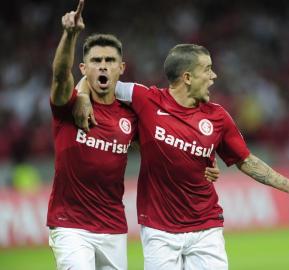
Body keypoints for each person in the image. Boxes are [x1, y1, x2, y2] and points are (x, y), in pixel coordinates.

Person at [75, 44, 289, 270]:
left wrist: (288, 185)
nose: (213, 77)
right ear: (187, 77)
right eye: (208, 69)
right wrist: (83, 96)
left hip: (206, 227)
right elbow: (95, 79)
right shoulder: (146, 98)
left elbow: (245, 160)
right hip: (159, 230)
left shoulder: (218, 117)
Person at [47, 2, 220, 270]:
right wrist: (69, 36)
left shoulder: (130, 117)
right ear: (83, 68)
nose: (102, 67)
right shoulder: (69, 107)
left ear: (121, 68)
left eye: (109, 61)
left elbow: (166, 146)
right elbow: (59, 77)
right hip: (70, 225)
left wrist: (204, 162)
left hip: (113, 226)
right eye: (95, 61)